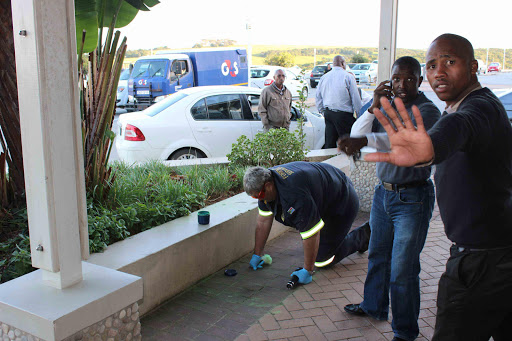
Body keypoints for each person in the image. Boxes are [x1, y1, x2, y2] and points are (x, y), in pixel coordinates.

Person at [364, 34, 512, 341]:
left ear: (472, 67)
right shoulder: (460, 106)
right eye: (432, 65)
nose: (439, 72)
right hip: (494, 253)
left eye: (450, 62)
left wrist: (429, 146)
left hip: (480, 263)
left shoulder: (479, 107)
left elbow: (458, 128)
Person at [338, 57, 441, 341]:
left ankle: (405, 332)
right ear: (390, 80)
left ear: (419, 81)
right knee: (378, 255)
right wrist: (373, 105)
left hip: (412, 198)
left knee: (403, 270)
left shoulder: (428, 111)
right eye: (396, 78)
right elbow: (359, 134)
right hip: (384, 193)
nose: (402, 84)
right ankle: (374, 306)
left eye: (409, 78)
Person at [243, 161, 371, 284]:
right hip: (323, 194)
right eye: (254, 197)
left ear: (268, 185)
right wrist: (257, 254)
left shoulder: (294, 194)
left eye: (258, 195)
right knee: (315, 244)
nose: (258, 199)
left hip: (342, 201)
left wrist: (307, 271)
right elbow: (263, 221)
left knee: (322, 259)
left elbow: (311, 232)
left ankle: (364, 235)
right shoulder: (266, 186)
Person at [316, 55, 363, 148]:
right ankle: (347, 162)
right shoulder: (348, 76)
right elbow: (356, 98)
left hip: (329, 113)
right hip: (343, 115)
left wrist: (323, 112)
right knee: (349, 144)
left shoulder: (324, 77)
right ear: (343, 63)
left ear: (333, 64)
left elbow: (318, 98)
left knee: (330, 144)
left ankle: (330, 161)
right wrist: (359, 116)